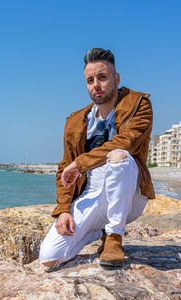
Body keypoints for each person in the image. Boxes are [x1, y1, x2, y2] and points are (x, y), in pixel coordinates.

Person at [39, 48, 155, 268]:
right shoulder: (76, 120)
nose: (96, 85)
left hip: (128, 191)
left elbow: (127, 143)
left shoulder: (138, 104)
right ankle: (97, 231)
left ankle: (113, 238)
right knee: (49, 258)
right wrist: (64, 210)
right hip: (91, 193)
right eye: (90, 80)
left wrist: (80, 163)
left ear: (116, 78)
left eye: (102, 77)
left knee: (119, 155)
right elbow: (65, 167)